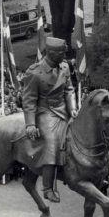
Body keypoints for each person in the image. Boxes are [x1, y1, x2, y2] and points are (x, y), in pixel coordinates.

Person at [21, 37, 76, 203]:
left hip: (63, 110)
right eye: (62, 53)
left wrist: (72, 107)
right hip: (45, 111)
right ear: (52, 53)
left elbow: (69, 90)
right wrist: (30, 124)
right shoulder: (35, 72)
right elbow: (29, 100)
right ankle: (47, 188)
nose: (65, 56)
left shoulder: (64, 67)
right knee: (51, 142)